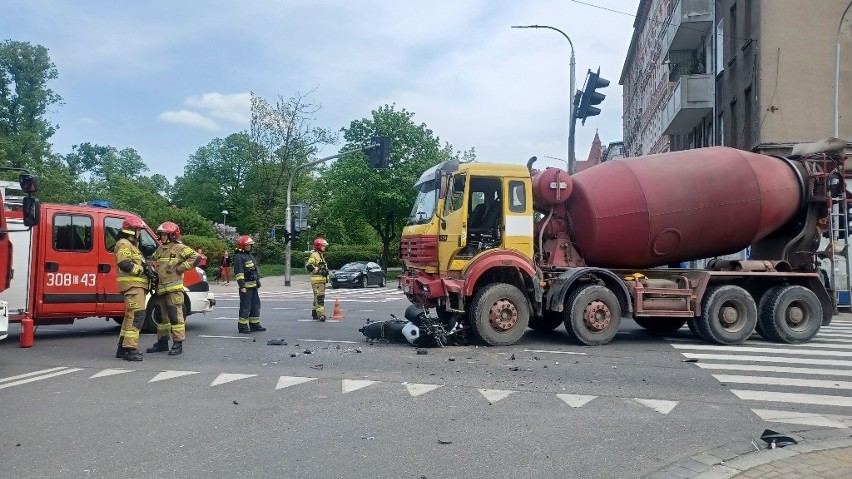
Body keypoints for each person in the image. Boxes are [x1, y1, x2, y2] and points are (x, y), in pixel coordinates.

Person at [145, 221, 199, 356]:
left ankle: (178, 343)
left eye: (164, 234)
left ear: (172, 235)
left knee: (175, 316)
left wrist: (180, 268)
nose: (161, 237)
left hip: (174, 289)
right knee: (161, 316)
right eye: (161, 234)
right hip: (161, 289)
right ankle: (162, 342)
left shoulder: (179, 247)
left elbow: (196, 257)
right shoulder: (160, 249)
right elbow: (152, 261)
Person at [113, 217, 151, 361]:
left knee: (130, 317)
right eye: (138, 230)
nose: (139, 233)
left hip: (136, 287)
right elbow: (125, 264)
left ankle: (122, 348)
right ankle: (130, 349)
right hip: (133, 287)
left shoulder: (131, 245)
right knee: (136, 317)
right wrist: (142, 270)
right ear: (131, 230)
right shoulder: (124, 243)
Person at [234, 235, 265, 333]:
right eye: (246, 245)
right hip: (246, 287)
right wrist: (242, 286)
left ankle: (254, 325)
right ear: (242, 246)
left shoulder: (250, 256)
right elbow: (239, 273)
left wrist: (257, 283)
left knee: (256, 305)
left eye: (250, 245)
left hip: (253, 286)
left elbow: (254, 271)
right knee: (245, 306)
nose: (249, 247)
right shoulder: (239, 257)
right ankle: (242, 327)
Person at [306, 237, 330, 321]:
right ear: (319, 246)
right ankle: (321, 315)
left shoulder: (320, 255)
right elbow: (309, 266)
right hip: (317, 281)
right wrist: (319, 271)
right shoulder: (314, 255)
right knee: (320, 298)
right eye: (323, 246)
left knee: (316, 297)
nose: (324, 247)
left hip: (321, 281)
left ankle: (314, 313)